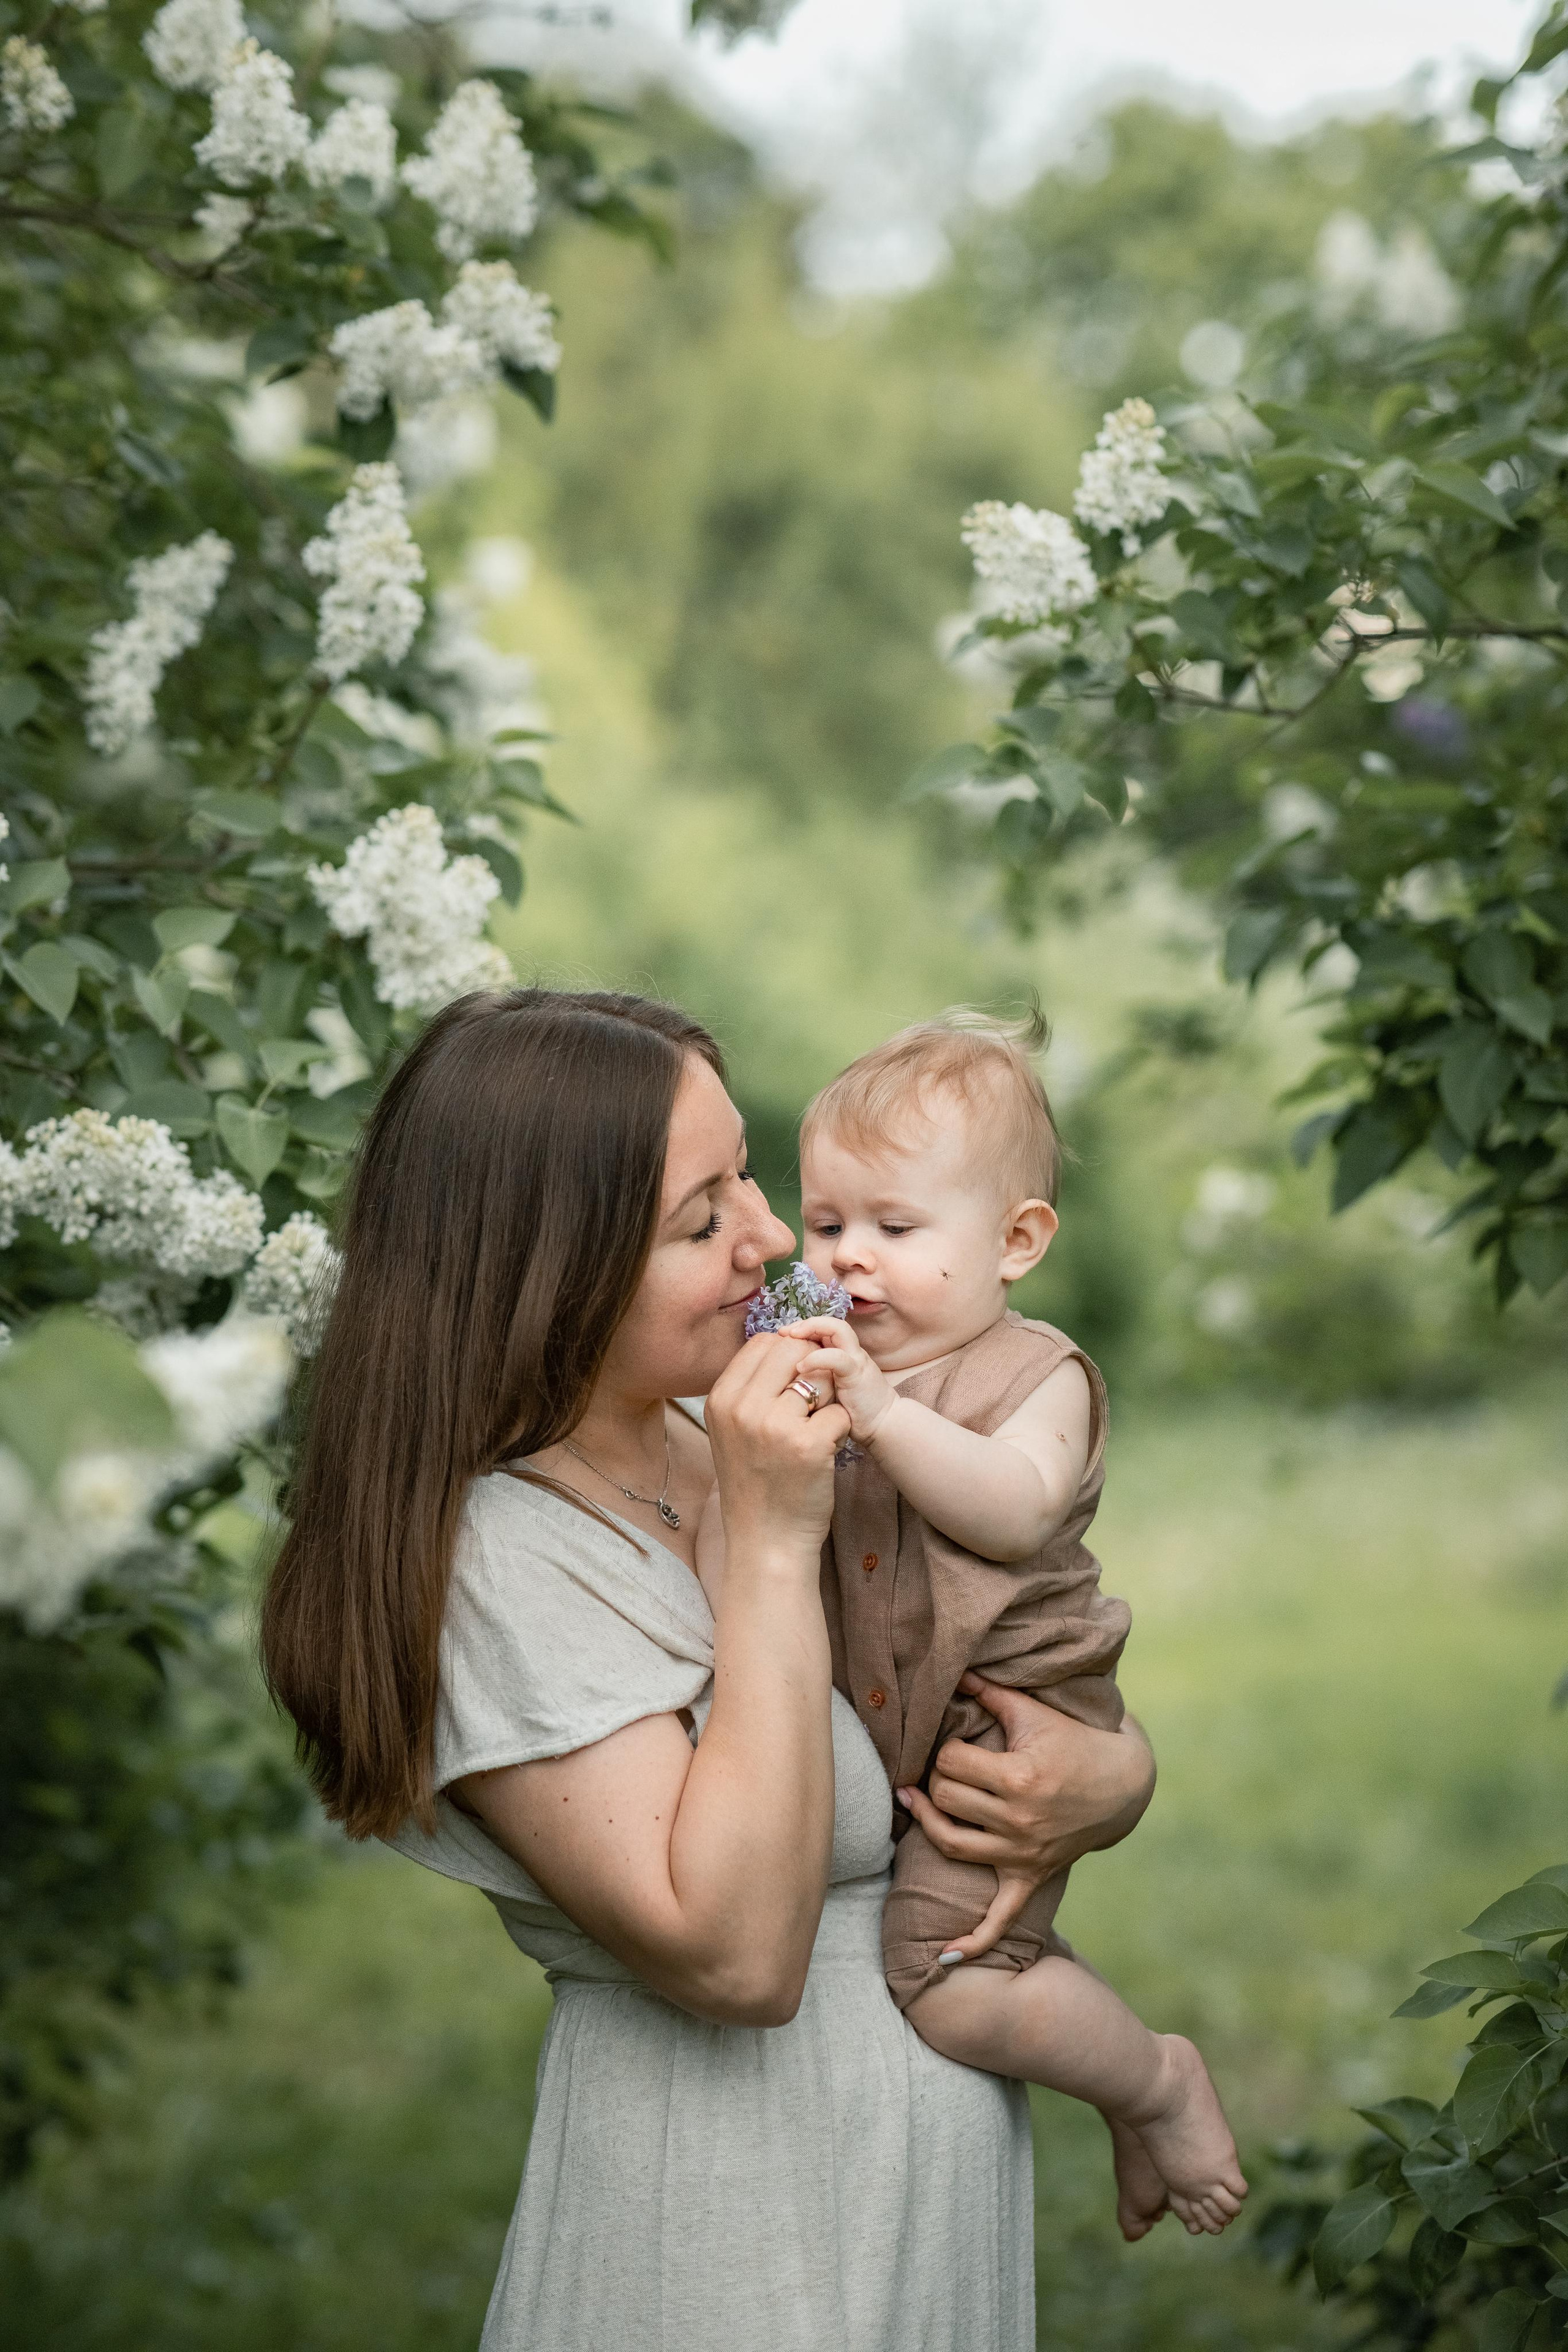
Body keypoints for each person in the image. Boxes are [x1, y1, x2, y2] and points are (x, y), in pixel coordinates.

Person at [260, 987, 1158, 2350]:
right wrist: (771, 1543)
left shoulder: (725, 1418)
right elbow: (737, 1959)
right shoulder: (502, 1559)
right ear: (550, 1270)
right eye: (703, 1217)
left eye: (747, 1170)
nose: (777, 1236)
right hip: (730, 2241)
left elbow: (983, 1637)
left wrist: (1107, 1777)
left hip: (918, 2208)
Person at [714, 1009, 1245, 2240]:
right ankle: (1126, 2096)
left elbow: (1011, 1512)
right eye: (831, 1222)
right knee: (966, 1963)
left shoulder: (1036, 1375)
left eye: (897, 1230)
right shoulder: (840, 1358)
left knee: (946, 1986)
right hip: (911, 1721)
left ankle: (1152, 2080)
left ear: (1015, 1241)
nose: (849, 1260)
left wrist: (881, 1415)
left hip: (1012, 1725)